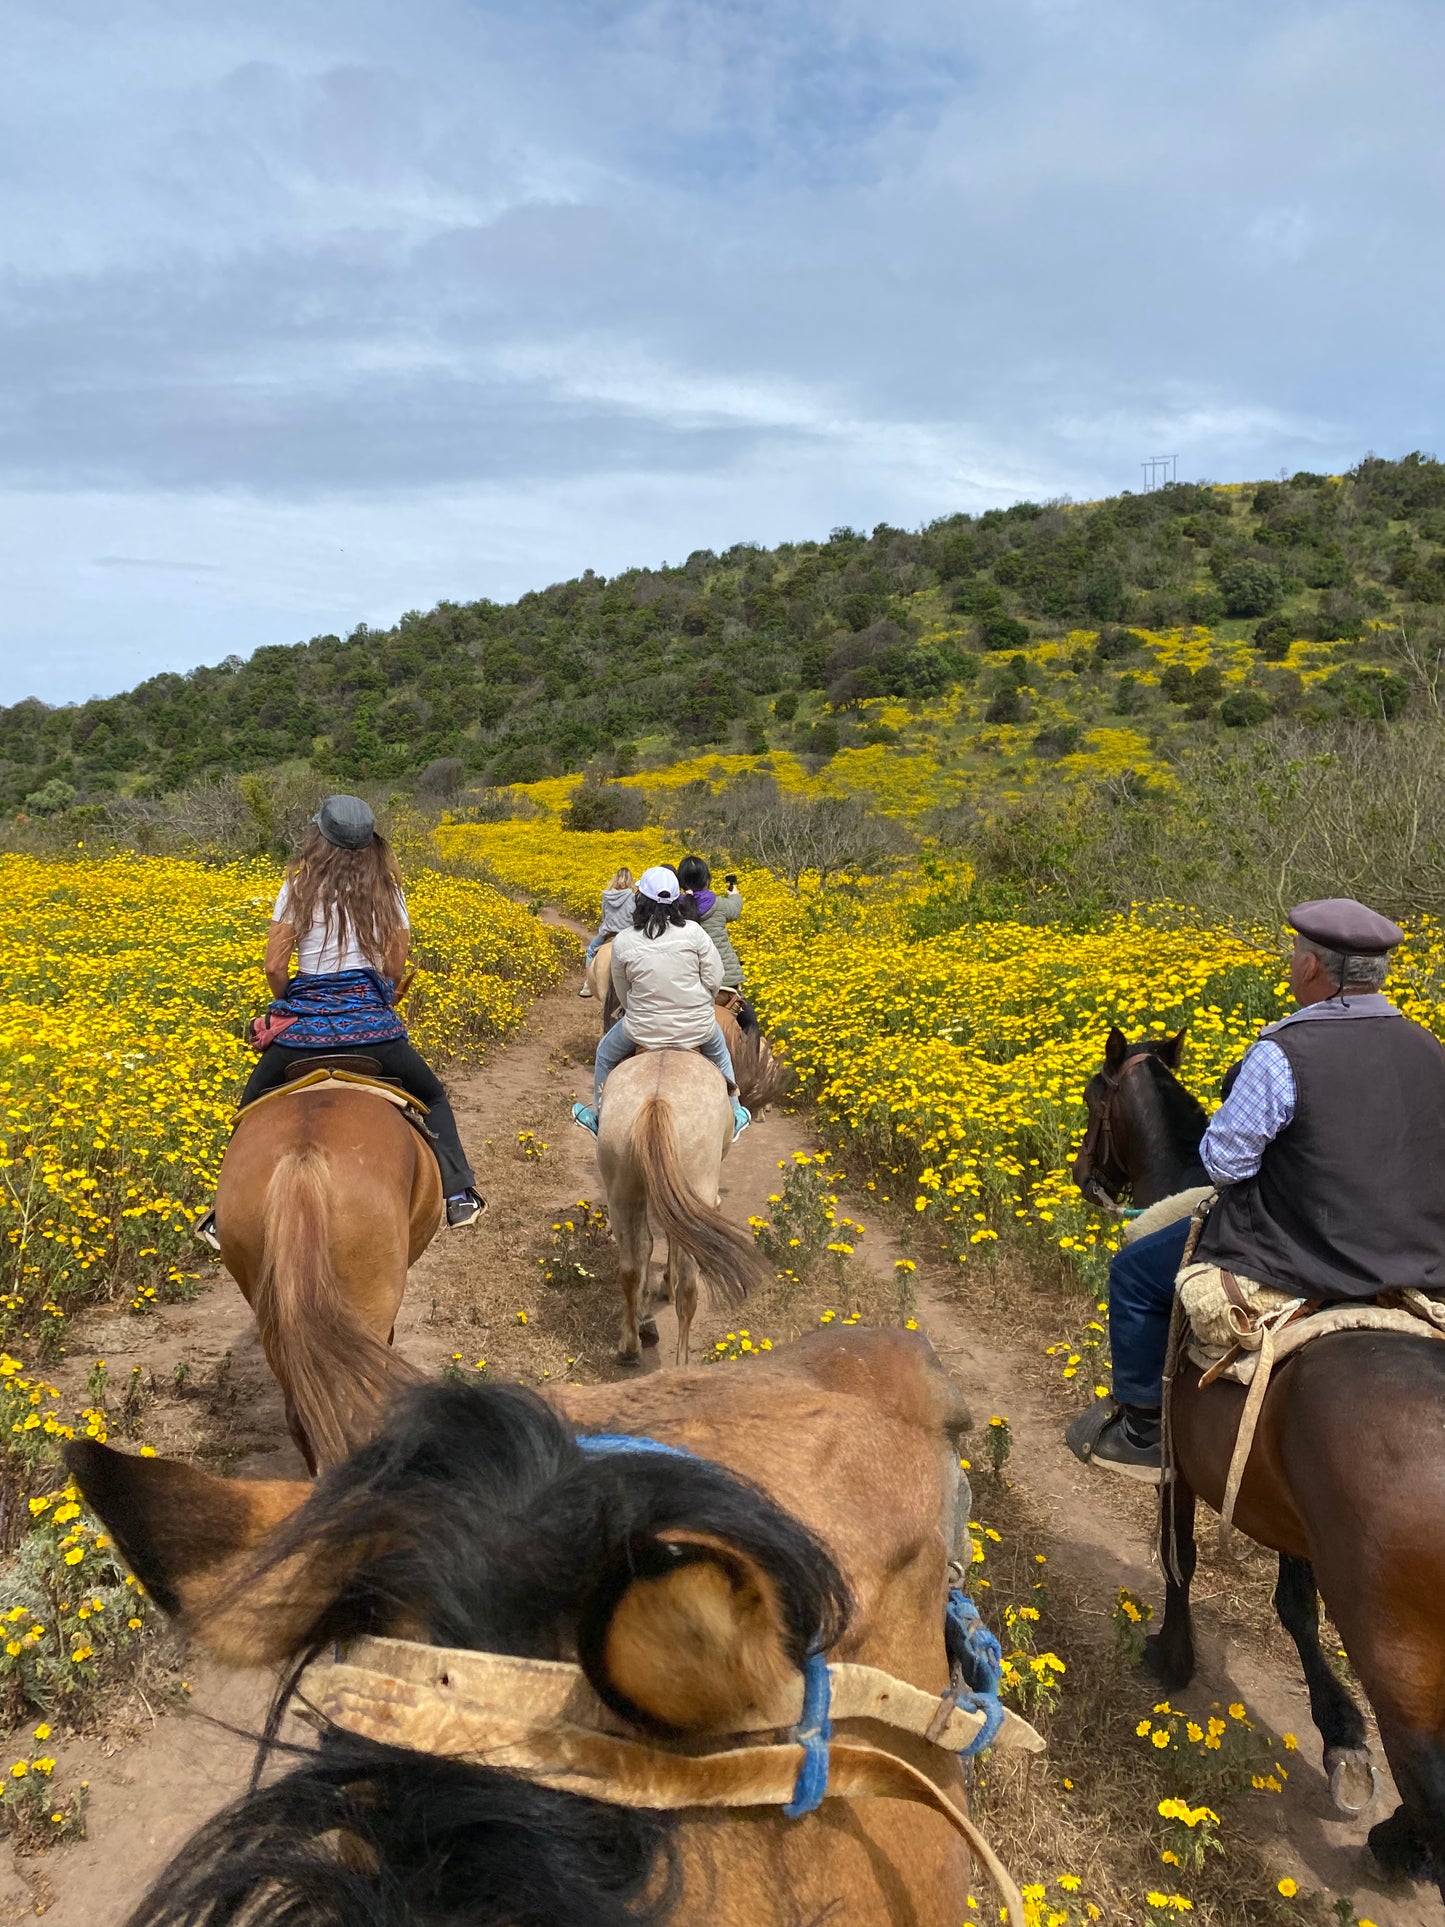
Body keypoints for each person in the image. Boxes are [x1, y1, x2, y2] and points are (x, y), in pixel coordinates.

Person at [1072, 897, 1445, 1480]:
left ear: (1312, 969)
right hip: (1419, 1257)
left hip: (1300, 1254)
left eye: (1296, 953)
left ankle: (1143, 1428)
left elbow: (1223, 1163)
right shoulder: (1429, 1049)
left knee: (1136, 1276)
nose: (1293, 962)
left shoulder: (1280, 1054)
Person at [194, 794, 486, 1248]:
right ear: (372, 842)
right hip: (374, 1035)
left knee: (249, 1108)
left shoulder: (298, 884)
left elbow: (274, 967)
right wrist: (378, 990)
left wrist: (292, 1002)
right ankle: (457, 1191)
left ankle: (221, 1212)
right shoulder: (387, 889)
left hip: (302, 1036)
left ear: (319, 837)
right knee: (432, 1095)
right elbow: (395, 964)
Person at [570, 865, 751, 1139]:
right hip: (696, 1026)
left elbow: (622, 990)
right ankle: (736, 1113)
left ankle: (598, 1115)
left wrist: (640, 1010)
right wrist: (700, 1000)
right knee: (721, 1055)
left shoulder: (625, 940)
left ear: (640, 898)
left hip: (642, 1029)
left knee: (605, 1054)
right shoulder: (694, 932)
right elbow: (715, 977)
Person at [676, 854, 744, 991]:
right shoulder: (718, 904)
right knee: (743, 1011)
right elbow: (735, 910)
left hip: (690, 976)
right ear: (707, 880)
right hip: (725, 975)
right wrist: (735, 895)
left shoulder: (675, 908)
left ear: (681, 882)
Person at [579, 867, 636, 996]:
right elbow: (634, 917)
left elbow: (604, 915)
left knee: (591, 951)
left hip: (608, 933)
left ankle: (588, 984)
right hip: (625, 934)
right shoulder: (633, 897)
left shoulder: (607, 895)